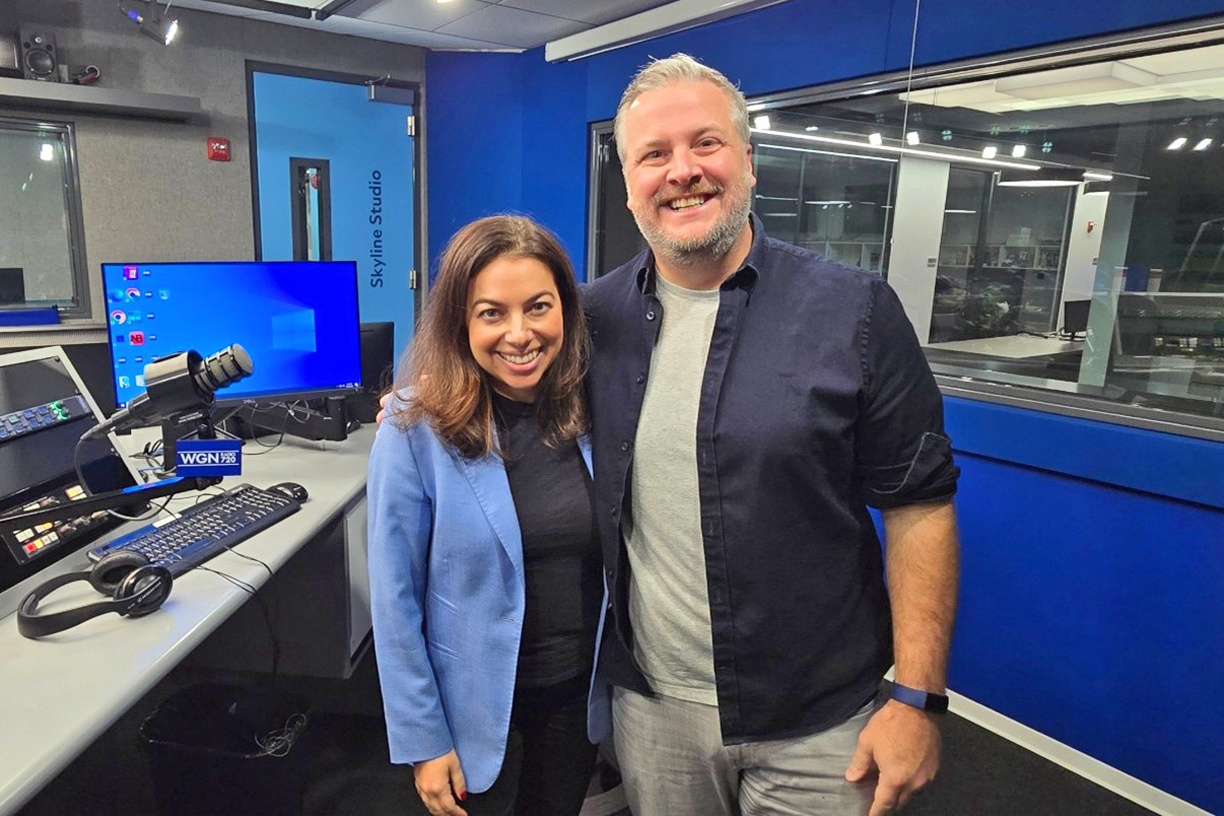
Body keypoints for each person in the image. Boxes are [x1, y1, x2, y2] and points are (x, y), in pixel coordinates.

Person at [584, 54, 961, 816]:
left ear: (749, 164)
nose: (681, 171)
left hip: (821, 721)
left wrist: (918, 700)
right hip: (654, 711)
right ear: (628, 186)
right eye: (653, 154)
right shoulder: (593, 320)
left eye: (706, 144)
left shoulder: (854, 312)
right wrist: (413, 404)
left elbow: (919, 507)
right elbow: (491, 375)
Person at [367, 215, 610, 816]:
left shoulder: (600, 410)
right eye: (491, 312)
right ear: (461, 322)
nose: (519, 333)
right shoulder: (413, 426)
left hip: (575, 701)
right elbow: (394, 599)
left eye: (538, 307)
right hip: (467, 712)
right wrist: (423, 740)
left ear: (566, 312)